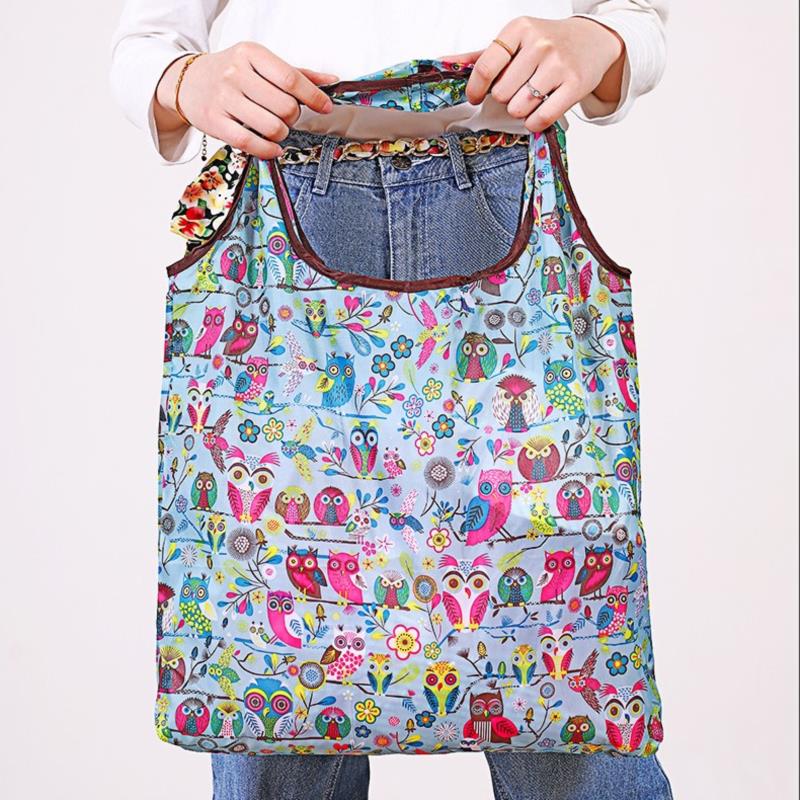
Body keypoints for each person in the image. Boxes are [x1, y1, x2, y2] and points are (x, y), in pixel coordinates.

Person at [110, 3, 672, 798]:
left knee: (571, 710)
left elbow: (638, 18)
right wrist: (184, 80)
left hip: (508, 167)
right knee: (277, 726)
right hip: (282, 179)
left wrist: (600, 39)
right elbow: (143, 45)